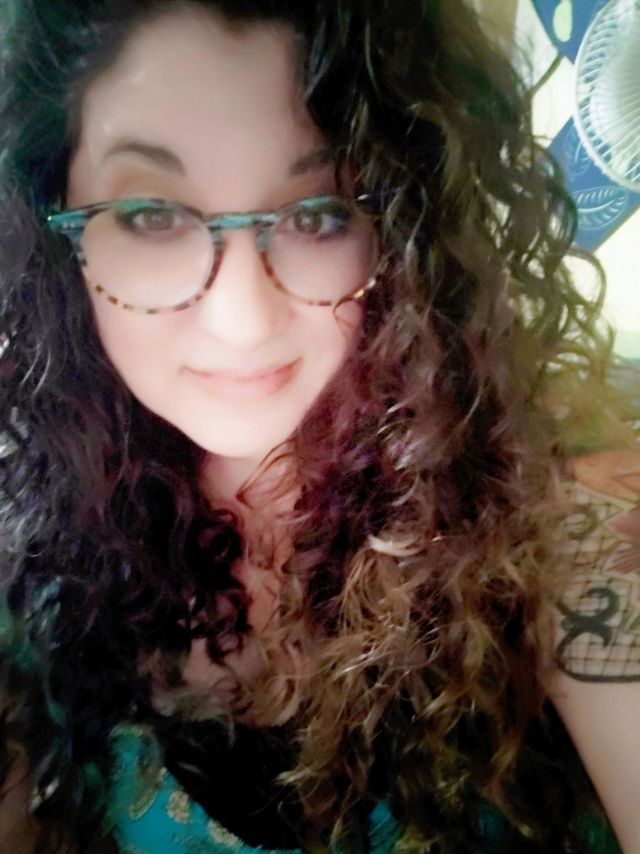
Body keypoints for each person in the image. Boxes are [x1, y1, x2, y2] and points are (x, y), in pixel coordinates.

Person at [0, 0, 638, 851]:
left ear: (401, 229)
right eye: (151, 214)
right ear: (56, 228)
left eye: (317, 214)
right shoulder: (35, 568)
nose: (241, 317)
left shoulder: (564, 542)